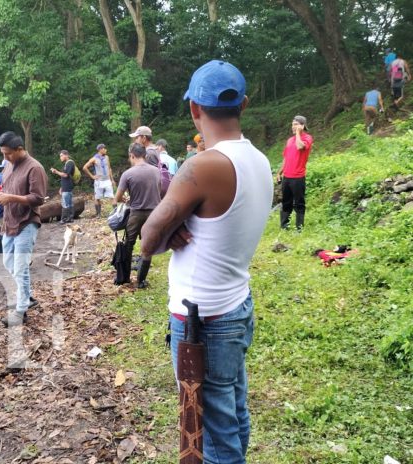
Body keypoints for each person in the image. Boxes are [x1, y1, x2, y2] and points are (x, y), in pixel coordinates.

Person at [140, 59, 273, 464]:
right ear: (244, 105)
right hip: (235, 305)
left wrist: (165, 230)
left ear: (194, 109)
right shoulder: (260, 161)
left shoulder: (204, 166)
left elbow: (147, 239)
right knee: (232, 410)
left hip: (202, 321)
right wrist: (173, 226)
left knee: (211, 434)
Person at [0, 131, 47, 326]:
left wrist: (12, 198)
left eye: (8, 153)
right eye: (3, 154)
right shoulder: (8, 165)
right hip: (9, 222)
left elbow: (38, 198)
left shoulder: (35, 168)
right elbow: (6, 187)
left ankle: (20, 310)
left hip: (27, 222)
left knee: (21, 267)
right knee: (9, 263)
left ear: (20, 149)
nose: (5, 158)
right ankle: (28, 296)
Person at [114, 142, 161, 288]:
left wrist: (126, 199)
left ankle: (125, 277)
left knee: (129, 244)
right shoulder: (156, 171)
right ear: (145, 155)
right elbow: (158, 190)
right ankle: (141, 280)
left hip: (135, 214)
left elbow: (117, 198)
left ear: (132, 155)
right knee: (148, 246)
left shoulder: (128, 174)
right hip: (154, 214)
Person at [277, 115, 313, 230]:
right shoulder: (289, 140)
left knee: (299, 203)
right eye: (292, 124)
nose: (293, 127)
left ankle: (299, 228)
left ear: (302, 126)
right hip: (287, 176)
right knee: (286, 202)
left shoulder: (307, 138)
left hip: (298, 177)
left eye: (296, 124)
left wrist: (298, 133)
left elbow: (300, 146)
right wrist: (279, 173)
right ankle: (284, 226)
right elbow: (286, 158)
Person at [83, 143, 116, 218]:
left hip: (107, 180)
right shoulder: (94, 158)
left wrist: (112, 179)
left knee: (112, 196)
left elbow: (109, 168)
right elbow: (85, 167)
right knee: (97, 197)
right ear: (100, 150)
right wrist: (92, 176)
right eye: (104, 148)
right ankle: (98, 214)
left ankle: (116, 212)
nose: (105, 150)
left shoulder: (107, 157)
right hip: (99, 181)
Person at [50, 149, 75, 223]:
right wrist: (61, 187)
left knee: (65, 203)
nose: (60, 157)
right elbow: (64, 177)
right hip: (66, 186)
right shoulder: (66, 163)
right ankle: (70, 218)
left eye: (61, 155)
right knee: (69, 203)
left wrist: (55, 171)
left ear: (66, 155)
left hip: (67, 186)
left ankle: (64, 219)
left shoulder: (69, 163)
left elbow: (65, 175)